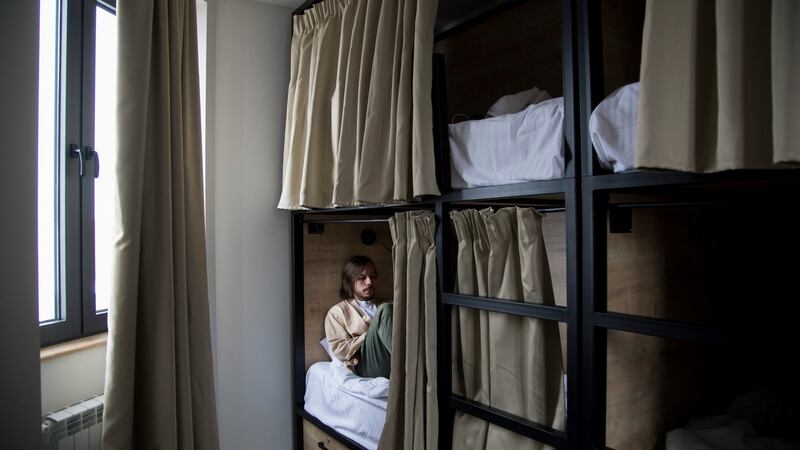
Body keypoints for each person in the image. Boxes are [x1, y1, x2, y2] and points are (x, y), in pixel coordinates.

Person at [324, 255, 392, 378]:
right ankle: (409, 364)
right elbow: (340, 350)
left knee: (389, 307)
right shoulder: (337, 312)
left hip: (391, 360)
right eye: (362, 278)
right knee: (386, 309)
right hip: (367, 365)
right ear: (349, 280)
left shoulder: (388, 304)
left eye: (372, 277)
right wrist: (371, 335)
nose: (369, 282)